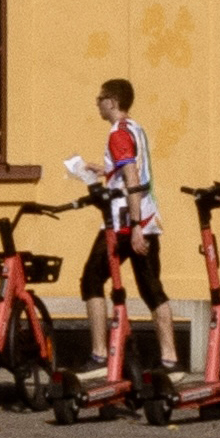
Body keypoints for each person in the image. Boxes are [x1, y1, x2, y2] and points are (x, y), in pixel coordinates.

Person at [63, 79, 163, 356]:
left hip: (122, 222)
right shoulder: (135, 129)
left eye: (101, 98)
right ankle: (170, 358)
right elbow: (133, 172)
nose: (97, 102)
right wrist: (105, 171)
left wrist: (134, 227)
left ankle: (99, 354)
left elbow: (131, 178)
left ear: (113, 101)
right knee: (151, 287)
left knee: (91, 279)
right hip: (149, 217)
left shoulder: (117, 134)